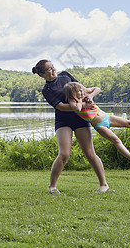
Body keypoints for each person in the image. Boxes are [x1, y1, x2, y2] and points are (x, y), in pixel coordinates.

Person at [32, 60, 111, 193]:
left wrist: (89, 97)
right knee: (64, 154)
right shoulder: (47, 90)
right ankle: (52, 187)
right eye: (49, 69)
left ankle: (104, 185)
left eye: (52, 67)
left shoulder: (65, 75)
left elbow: (82, 90)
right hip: (63, 121)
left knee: (90, 153)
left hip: (81, 119)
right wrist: (83, 106)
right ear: (41, 74)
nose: (53, 70)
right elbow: (61, 107)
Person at [64, 81, 130, 165]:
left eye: (82, 90)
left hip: (107, 117)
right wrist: (85, 104)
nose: (82, 92)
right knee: (116, 140)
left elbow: (97, 89)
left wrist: (90, 96)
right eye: (79, 92)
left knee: (129, 123)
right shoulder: (73, 101)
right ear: (72, 94)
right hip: (99, 125)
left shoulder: (85, 94)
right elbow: (77, 108)